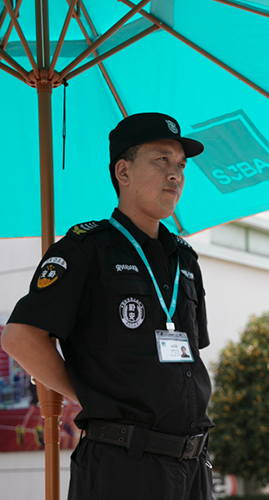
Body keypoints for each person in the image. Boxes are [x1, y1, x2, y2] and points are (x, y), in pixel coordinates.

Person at [1, 113, 214, 500]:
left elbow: (190, 356)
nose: (175, 174)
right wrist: (90, 395)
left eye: (181, 165)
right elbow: (20, 337)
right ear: (123, 171)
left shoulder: (185, 259)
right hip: (124, 464)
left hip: (192, 465)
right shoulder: (86, 249)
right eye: (161, 160)